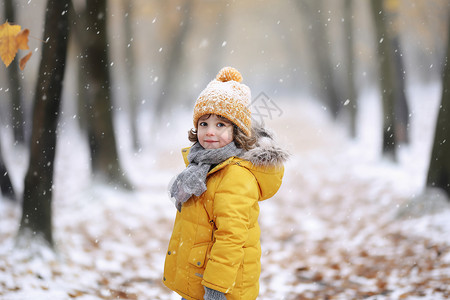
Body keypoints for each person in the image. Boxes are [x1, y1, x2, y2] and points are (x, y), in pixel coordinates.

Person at [163, 67, 288, 300]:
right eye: (204, 124)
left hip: (222, 288)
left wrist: (216, 288)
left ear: (237, 131)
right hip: (198, 280)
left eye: (221, 125)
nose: (210, 132)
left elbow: (231, 238)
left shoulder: (235, 177)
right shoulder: (202, 168)